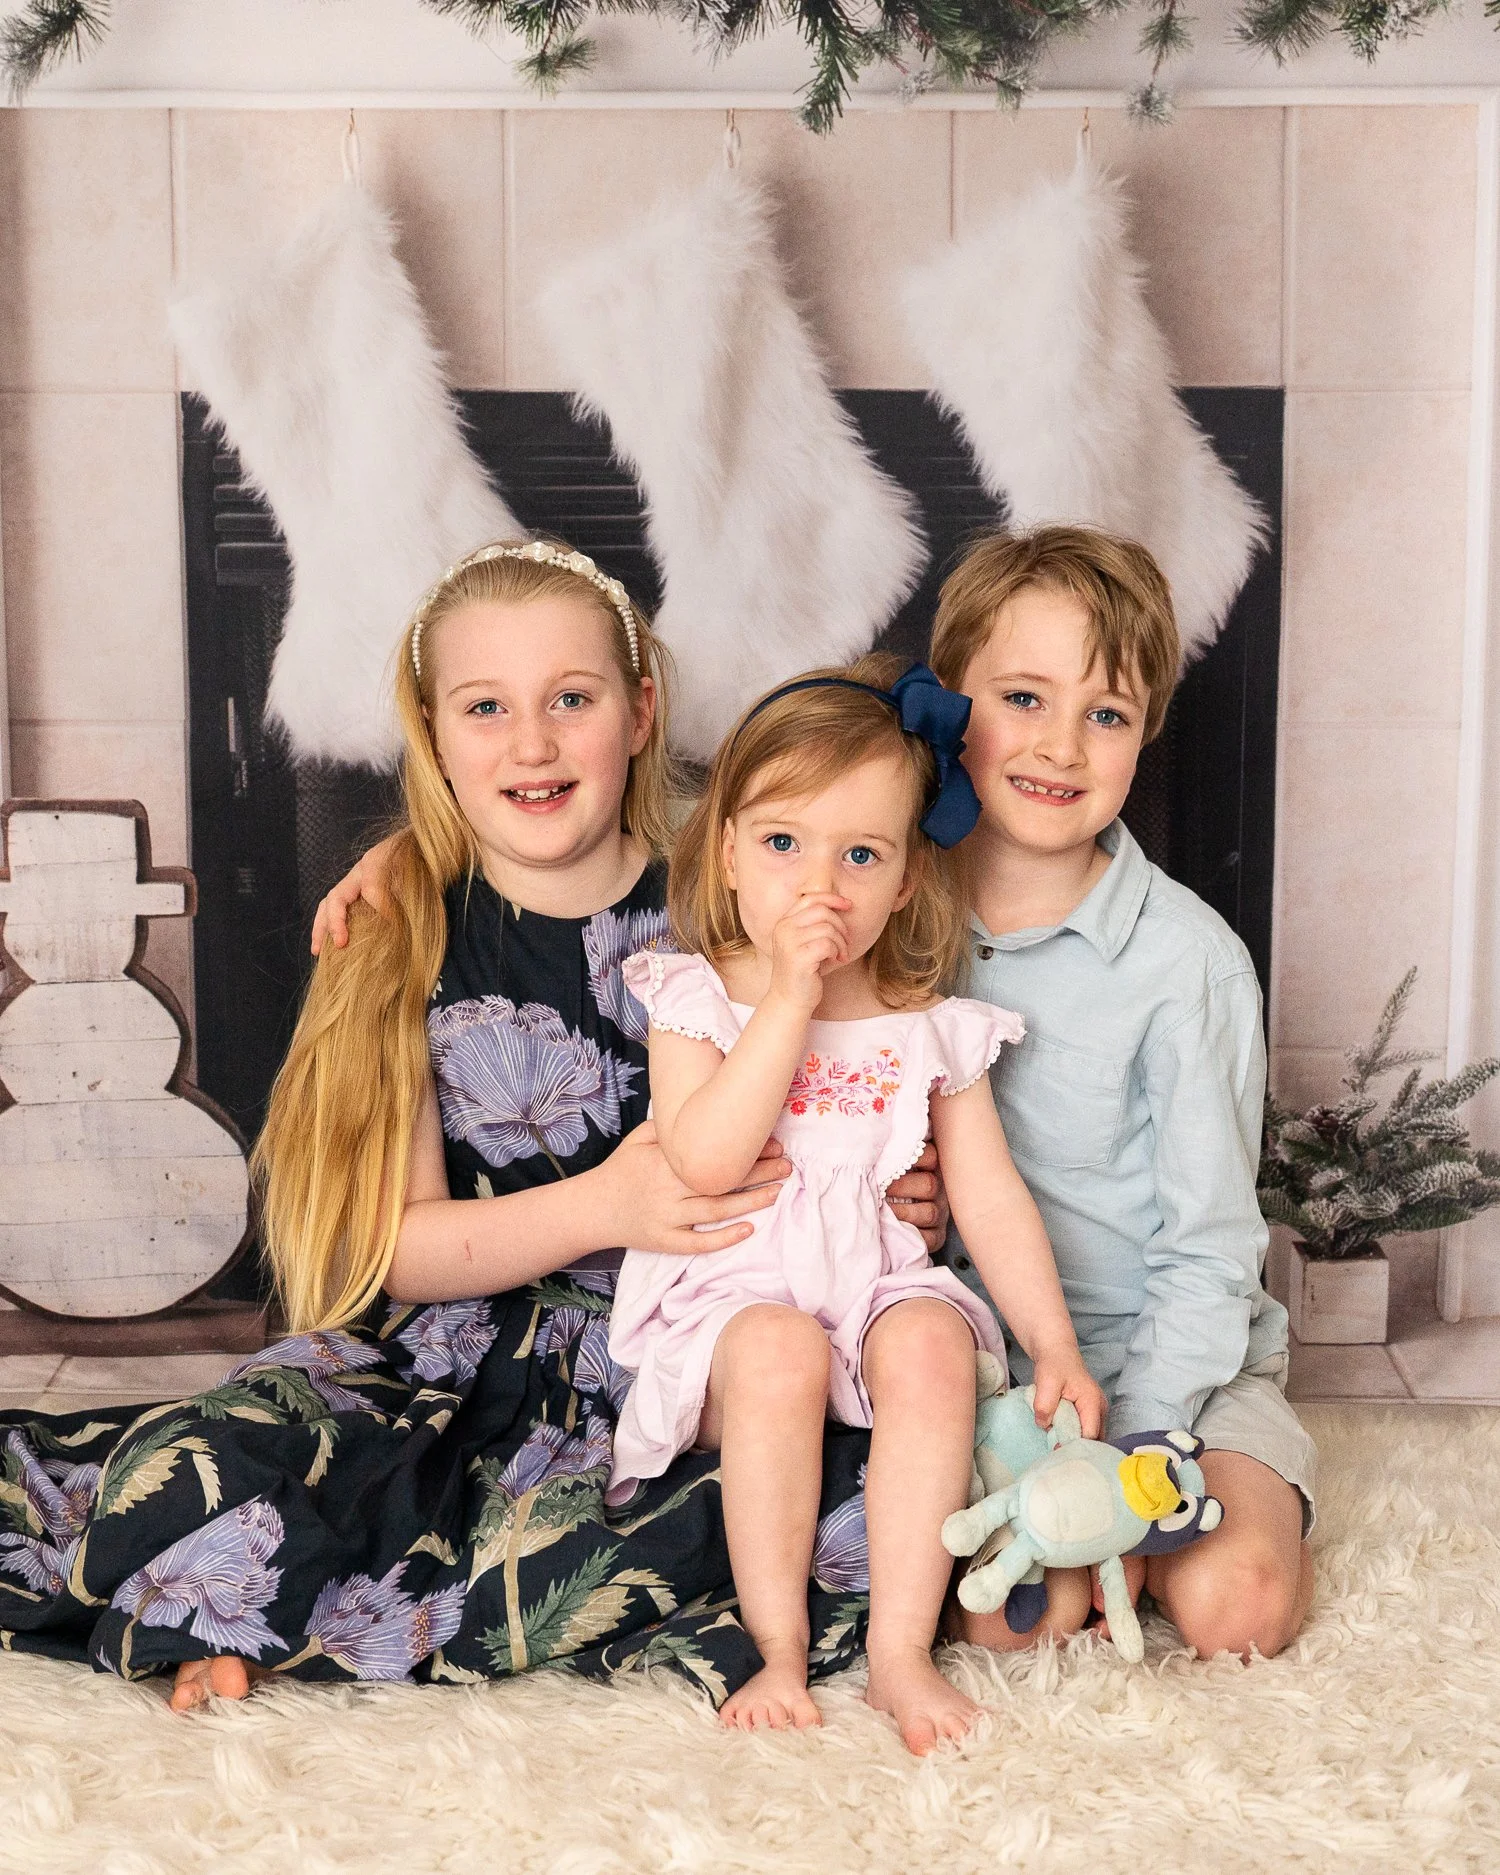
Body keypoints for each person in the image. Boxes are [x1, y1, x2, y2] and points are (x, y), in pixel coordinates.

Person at [0, 539, 943, 1713]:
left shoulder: (740, 897)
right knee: (228, 1462)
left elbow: (871, 1065)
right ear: (435, 738)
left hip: (686, 1356)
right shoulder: (404, 937)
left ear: (641, 712)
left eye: (572, 700)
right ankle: (249, 1594)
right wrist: (606, 1204)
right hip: (448, 1360)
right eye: (485, 708)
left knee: (857, 1499)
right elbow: (392, 1251)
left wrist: (909, 1184)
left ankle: (314, 1603)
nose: (532, 743)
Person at [606, 655, 1105, 1754]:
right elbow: (702, 1156)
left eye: (860, 853)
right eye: (783, 844)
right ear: (728, 850)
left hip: (871, 1288)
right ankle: (778, 1645)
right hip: (734, 1302)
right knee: (781, 1349)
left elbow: (990, 1194)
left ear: (905, 885)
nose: (818, 884)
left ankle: (899, 1651)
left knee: (930, 1339)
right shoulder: (696, 994)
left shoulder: (927, 1024)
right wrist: (786, 998)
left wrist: (1053, 1340)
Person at [928, 525, 1316, 1661]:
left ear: (1145, 731)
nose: (1060, 746)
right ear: (951, 705)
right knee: (1015, 1627)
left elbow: (1207, 1251)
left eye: (1105, 714)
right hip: (999, 1366)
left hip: (1177, 1360)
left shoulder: (1188, 964)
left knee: (1235, 1611)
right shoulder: (888, 915)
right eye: (1022, 697)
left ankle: (1239, 1497)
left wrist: (1135, 1448)